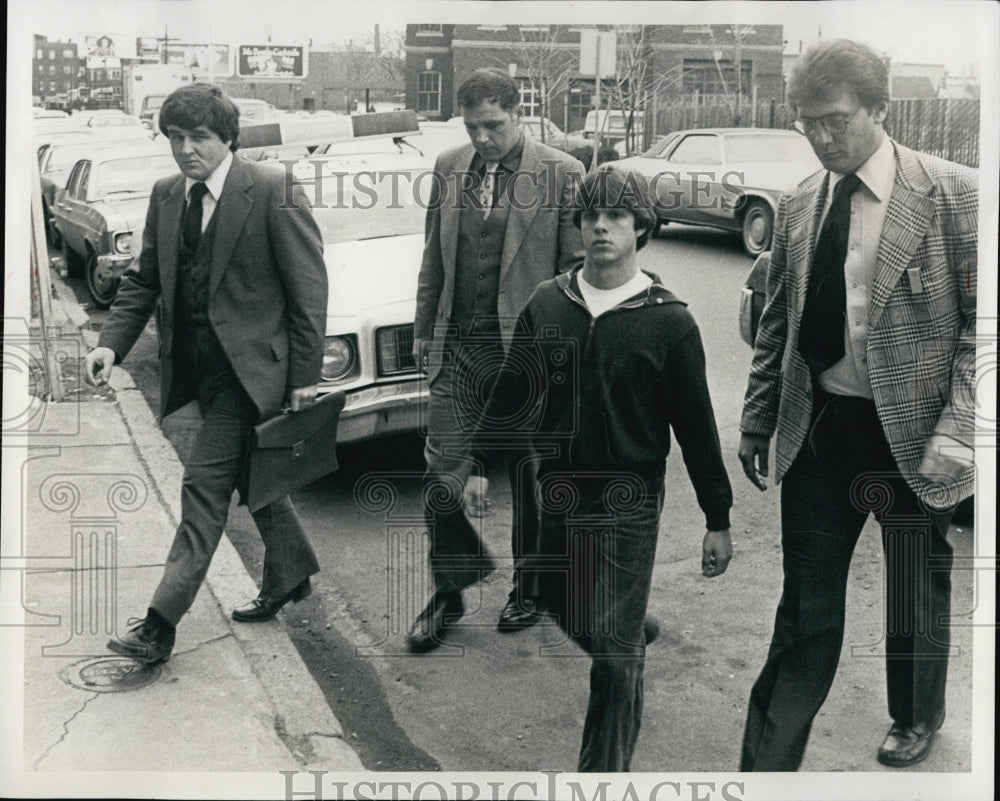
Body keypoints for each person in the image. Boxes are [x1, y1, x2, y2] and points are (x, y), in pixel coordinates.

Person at [737, 39, 977, 770]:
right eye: (808, 121)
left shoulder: (956, 194)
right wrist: (756, 417)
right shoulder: (801, 201)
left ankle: (916, 714)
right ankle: (766, 762)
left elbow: (985, 327)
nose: (820, 136)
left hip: (914, 435)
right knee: (805, 604)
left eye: (836, 120)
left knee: (912, 591)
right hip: (821, 429)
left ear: (880, 108)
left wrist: (960, 427)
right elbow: (777, 320)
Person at [463, 164, 734, 771]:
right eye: (590, 216)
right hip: (554, 490)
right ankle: (630, 633)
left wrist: (718, 516)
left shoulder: (669, 321)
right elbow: (513, 389)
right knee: (554, 601)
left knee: (612, 659)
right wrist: (480, 462)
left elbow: (696, 428)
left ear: (642, 228)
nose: (601, 227)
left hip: (628, 501)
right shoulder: (548, 303)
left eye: (616, 216)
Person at [84, 84, 329, 664]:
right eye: (176, 138)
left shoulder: (273, 190)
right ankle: (290, 574)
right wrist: (110, 347)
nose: (187, 150)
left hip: (255, 375)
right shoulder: (167, 195)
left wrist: (304, 375)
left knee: (202, 491)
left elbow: (309, 292)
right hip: (199, 372)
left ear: (228, 139)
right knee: (255, 475)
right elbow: (144, 280)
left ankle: (159, 624)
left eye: (200, 138)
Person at [409, 68, 586, 651]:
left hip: (530, 357)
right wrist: (423, 331)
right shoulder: (449, 166)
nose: (482, 137)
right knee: (442, 474)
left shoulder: (563, 174)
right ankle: (450, 589)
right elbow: (434, 257)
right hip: (459, 349)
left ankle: (530, 588)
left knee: (533, 480)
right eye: (472, 125)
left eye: (494, 124)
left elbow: (573, 278)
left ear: (520, 113)